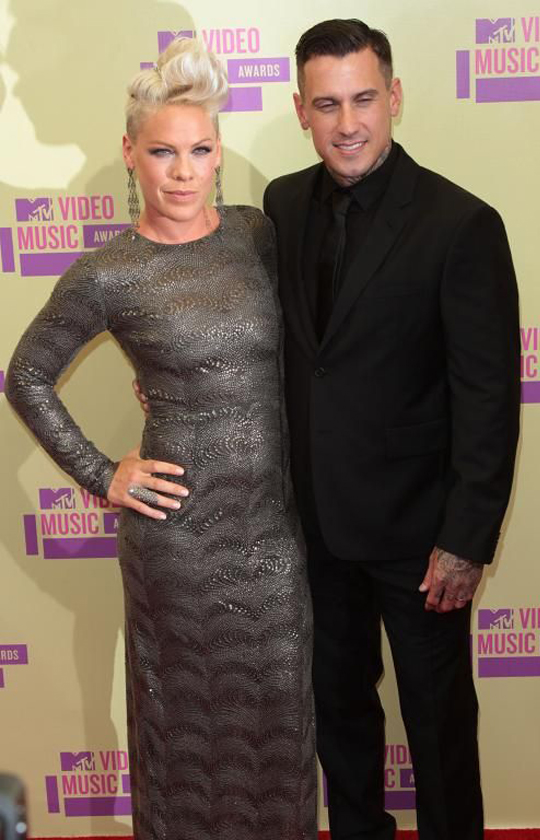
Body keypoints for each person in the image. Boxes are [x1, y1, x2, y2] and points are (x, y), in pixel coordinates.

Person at [6, 38, 316, 840]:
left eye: (201, 150)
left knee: (282, 732)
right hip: (178, 547)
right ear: (129, 154)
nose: (183, 172)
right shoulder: (109, 272)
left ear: (219, 153)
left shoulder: (255, 235)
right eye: (163, 153)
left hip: (272, 536)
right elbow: (26, 375)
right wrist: (101, 473)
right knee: (183, 737)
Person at [261, 18, 520, 840]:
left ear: (395, 97)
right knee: (339, 720)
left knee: (438, 731)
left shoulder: (460, 223)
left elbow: (489, 396)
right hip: (318, 528)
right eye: (327, 104)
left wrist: (466, 540)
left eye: (364, 99)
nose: (348, 123)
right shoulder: (281, 205)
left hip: (421, 541)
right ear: (300, 110)